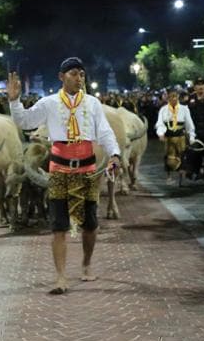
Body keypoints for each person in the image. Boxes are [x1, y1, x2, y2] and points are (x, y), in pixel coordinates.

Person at [7, 57, 120, 295]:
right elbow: (25, 121)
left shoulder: (92, 103)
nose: (78, 78)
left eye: (81, 74)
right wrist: (14, 100)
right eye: (73, 74)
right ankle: (60, 277)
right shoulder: (48, 103)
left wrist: (115, 154)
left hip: (87, 169)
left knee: (90, 225)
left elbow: (105, 131)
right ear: (61, 77)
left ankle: (87, 263)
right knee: (58, 226)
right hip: (58, 169)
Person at [155, 87, 196, 185]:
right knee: (168, 157)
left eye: (175, 96)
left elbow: (189, 124)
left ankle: (182, 177)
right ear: (167, 98)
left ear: (178, 96)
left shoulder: (184, 109)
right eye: (171, 96)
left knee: (182, 156)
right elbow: (160, 123)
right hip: (169, 137)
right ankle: (168, 176)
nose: (173, 98)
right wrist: (160, 133)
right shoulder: (163, 110)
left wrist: (191, 137)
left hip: (180, 136)